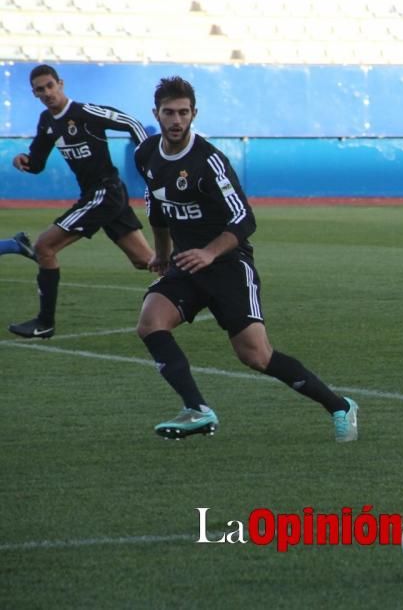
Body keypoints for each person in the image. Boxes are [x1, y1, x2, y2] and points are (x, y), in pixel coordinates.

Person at [134, 76, 358, 442]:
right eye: (168, 112)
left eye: (183, 113)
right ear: (155, 114)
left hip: (227, 266)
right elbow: (158, 211)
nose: (176, 120)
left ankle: (339, 406)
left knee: (257, 356)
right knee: (150, 322)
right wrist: (161, 254)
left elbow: (244, 219)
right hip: (187, 265)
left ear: (194, 114)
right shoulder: (146, 155)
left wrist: (209, 252)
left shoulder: (209, 161)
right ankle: (197, 409)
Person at [7, 64, 153, 339]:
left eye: (50, 86)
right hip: (99, 195)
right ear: (35, 93)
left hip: (104, 193)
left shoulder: (85, 113)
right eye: (40, 89)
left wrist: (151, 158)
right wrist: (24, 161)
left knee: (44, 247)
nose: (47, 93)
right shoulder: (47, 122)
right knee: (144, 260)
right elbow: (37, 162)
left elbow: (132, 123)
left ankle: (44, 322)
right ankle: (203, 278)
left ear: (60, 84)